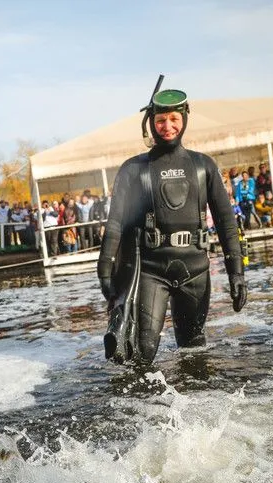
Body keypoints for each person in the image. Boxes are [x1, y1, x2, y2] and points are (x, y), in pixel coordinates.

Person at [97, 87, 246, 363]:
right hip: (151, 273)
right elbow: (115, 222)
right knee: (141, 356)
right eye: (161, 120)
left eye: (174, 119)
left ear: (185, 118)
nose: (168, 126)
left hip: (196, 271)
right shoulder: (133, 170)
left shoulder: (204, 166)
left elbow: (226, 222)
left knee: (194, 354)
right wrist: (105, 267)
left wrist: (236, 272)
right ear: (150, 123)